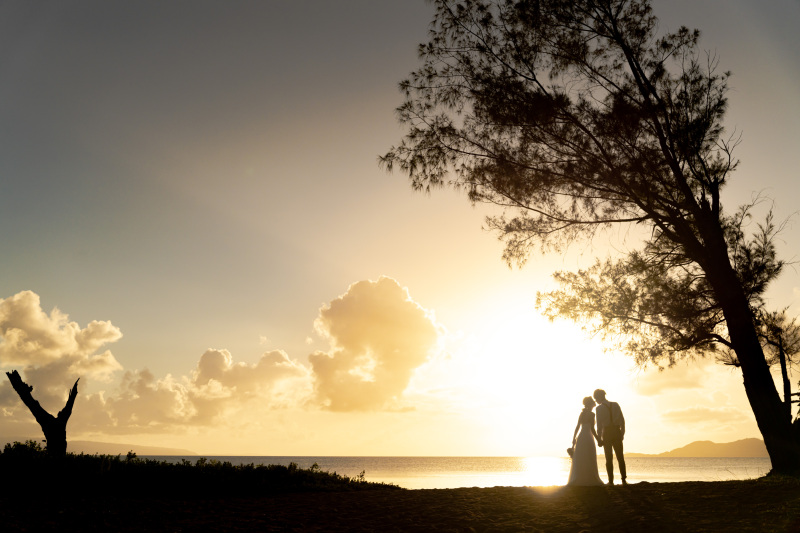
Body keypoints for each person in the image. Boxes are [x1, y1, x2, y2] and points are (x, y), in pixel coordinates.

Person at [567, 396, 604, 486]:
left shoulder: (582, 413)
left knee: (581, 457)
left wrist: (574, 438)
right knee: (589, 456)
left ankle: (579, 477)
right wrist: (598, 439)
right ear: (591, 404)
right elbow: (592, 429)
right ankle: (589, 477)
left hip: (581, 437)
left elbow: (577, 426)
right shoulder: (592, 415)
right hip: (588, 437)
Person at [594, 388, 627, 485]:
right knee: (620, 457)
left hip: (607, 432)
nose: (596, 400)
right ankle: (623, 479)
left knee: (609, 458)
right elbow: (622, 420)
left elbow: (599, 425)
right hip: (616, 431)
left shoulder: (599, 409)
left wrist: (599, 439)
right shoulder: (615, 404)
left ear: (599, 397)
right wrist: (622, 433)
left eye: (596, 398)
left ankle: (611, 481)